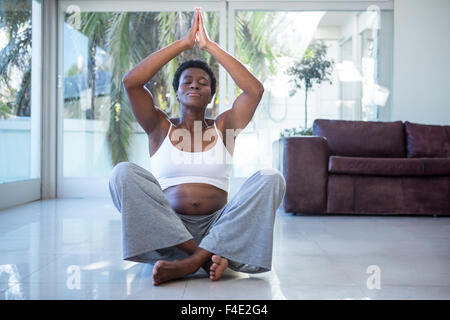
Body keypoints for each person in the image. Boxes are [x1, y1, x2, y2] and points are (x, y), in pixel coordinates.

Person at [108, 8, 286, 286]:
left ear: (211, 96)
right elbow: (131, 82)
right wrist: (183, 43)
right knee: (121, 173)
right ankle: (204, 256)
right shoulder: (159, 126)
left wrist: (208, 45)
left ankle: (190, 262)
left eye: (203, 83)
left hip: (223, 228)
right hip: (168, 233)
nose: (194, 85)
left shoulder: (225, 126)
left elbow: (254, 90)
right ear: (176, 92)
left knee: (271, 178)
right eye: (187, 82)